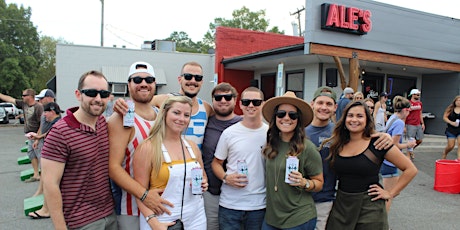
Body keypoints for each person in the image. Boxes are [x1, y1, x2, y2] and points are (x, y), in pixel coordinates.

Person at [306, 87, 393, 230]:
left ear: (335, 107)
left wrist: (385, 136)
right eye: (320, 103)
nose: (323, 107)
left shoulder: (339, 134)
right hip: (300, 199)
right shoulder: (300, 131)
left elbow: (361, 136)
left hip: (327, 200)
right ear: (312, 104)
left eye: (328, 104)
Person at [41, 70, 117, 229]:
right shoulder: (60, 132)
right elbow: (50, 184)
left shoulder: (103, 123)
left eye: (103, 94)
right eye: (91, 93)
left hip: (109, 214)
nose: (98, 99)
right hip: (81, 222)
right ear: (78, 94)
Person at [324, 100, 417, 230]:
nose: (354, 120)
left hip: (370, 207)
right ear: (344, 119)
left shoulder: (378, 143)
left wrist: (390, 193)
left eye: (360, 116)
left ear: (367, 120)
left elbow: (410, 169)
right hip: (342, 205)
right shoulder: (337, 144)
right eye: (350, 116)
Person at [108, 61, 173, 230]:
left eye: (149, 80)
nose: (143, 84)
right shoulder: (121, 118)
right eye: (137, 80)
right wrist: (144, 195)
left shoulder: (161, 114)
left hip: (163, 205)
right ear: (128, 85)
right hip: (132, 210)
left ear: (155, 84)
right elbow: (113, 168)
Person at [133, 96, 208, 229]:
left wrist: (204, 183)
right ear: (164, 113)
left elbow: (203, 176)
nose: (181, 119)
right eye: (176, 113)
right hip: (162, 218)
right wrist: (153, 222)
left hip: (196, 217)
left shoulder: (192, 147)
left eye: (186, 115)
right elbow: (140, 193)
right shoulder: (148, 147)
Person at [114, 61, 213, 149]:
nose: (193, 81)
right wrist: (120, 104)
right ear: (179, 79)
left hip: (194, 164)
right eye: (188, 76)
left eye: (198, 78)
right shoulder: (164, 100)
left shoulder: (206, 108)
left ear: (202, 82)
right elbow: (140, 100)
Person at [261, 91, 323, 229]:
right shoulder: (270, 144)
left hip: (298, 219)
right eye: (281, 114)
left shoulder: (308, 148)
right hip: (272, 219)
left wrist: (304, 182)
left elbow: (319, 183)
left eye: (292, 115)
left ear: (298, 119)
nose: (286, 118)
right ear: (275, 118)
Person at [212, 87, 267, 230]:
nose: (251, 105)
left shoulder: (270, 133)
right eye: (246, 101)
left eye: (256, 102)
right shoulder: (229, 133)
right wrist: (226, 177)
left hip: (259, 205)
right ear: (240, 104)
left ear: (263, 104)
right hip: (230, 205)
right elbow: (216, 163)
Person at [202, 83, 242, 229]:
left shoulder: (244, 124)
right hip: (210, 193)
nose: (223, 100)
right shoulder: (205, 123)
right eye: (218, 97)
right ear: (213, 100)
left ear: (235, 100)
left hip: (237, 194)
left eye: (227, 97)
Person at [27, 102, 62, 219]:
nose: (44, 115)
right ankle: (45, 206)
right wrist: (38, 138)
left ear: (52, 112)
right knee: (49, 181)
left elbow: (51, 132)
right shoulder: (55, 122)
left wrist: (38, 137)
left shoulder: (57, 123)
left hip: (56, 158)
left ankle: (46, 210)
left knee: (50, 182)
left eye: (46, 112)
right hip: (54, 157)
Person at [381, 96, 416, 212]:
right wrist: (408, 145)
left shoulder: (393, 118)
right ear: (405, 110)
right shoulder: (399, 123)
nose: (410, 112)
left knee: (392, 192)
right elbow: (394, 146)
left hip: (385, 161)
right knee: (389, 195)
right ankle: (383, 225)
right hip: (390, 162)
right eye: (409, 110)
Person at [0, 89, 43, 182]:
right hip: (29, 135)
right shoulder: (24, 104)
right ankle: (36, 174)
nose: (22, 97)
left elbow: (42, 124)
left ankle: (45, 175)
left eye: (24, 95)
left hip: (37, 135)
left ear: (30, 96)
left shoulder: (39, 107)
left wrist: (37, 138)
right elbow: (10, 99)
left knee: (41, 155)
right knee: (31, 154)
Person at [405, 89, 424, 159]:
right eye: (417, 94)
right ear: (413, 94)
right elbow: (405, 114)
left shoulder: (420, 103)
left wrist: (422, 123)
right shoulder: (408, 103)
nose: (418, 95)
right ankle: (408, 156)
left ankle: (411, 150)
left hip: (418, 123)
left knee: (420, 140)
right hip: (410, 123)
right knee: (411, 139)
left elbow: (420, 113)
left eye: (419, 94)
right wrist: (404, 125)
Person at [441, 95, 460, 160]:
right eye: (457, 100)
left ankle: (458, 159)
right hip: (451, 129)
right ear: (455, 101)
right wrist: (451, 122)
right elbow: (445, 117)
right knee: (451, 145)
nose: (459, 102)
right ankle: (445, 152)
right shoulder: (451, 108)